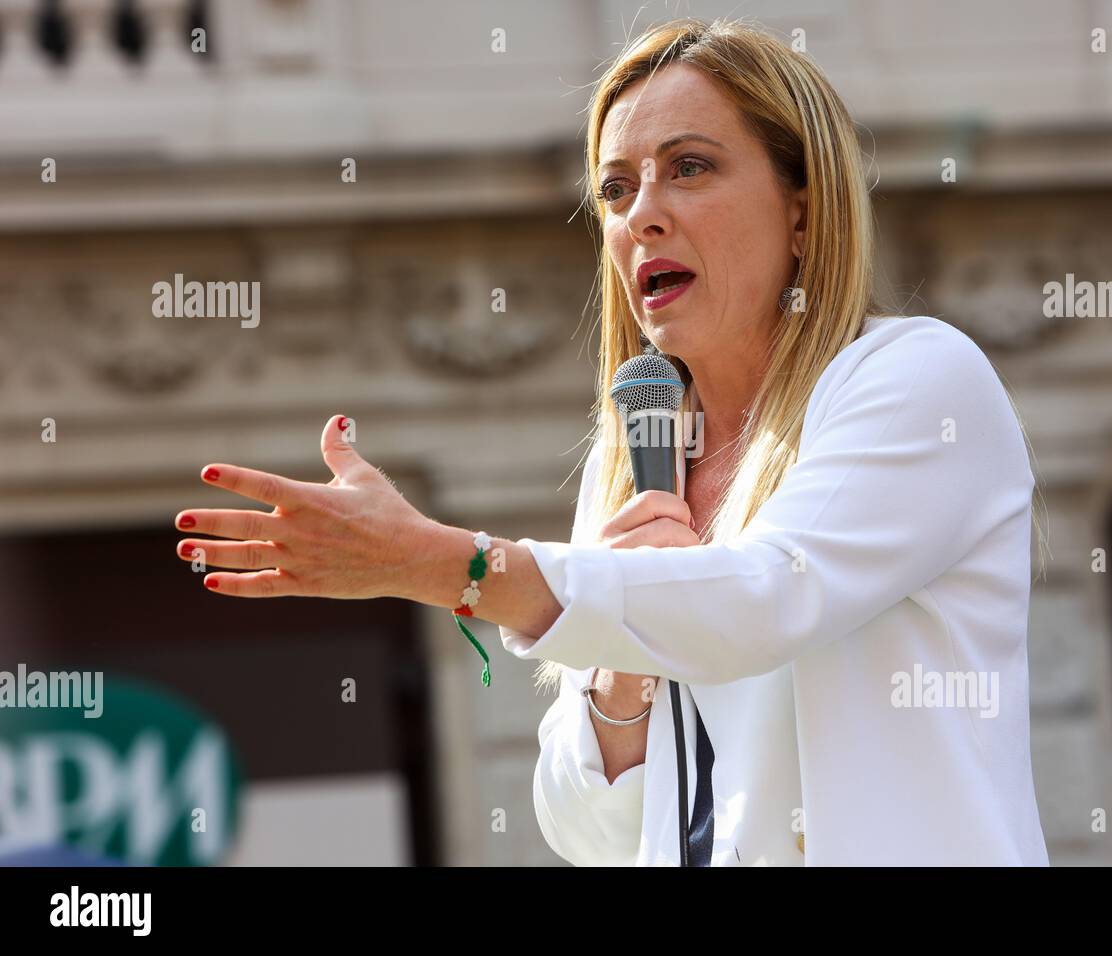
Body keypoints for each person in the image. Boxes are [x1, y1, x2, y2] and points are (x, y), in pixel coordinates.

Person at [174, 17, 1050, 866]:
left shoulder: (918, 379)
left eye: (690, 168)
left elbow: (766, 599)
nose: (643, 217)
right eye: (616, 189)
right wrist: (622, 679)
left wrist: (445, 564)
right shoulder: (633, 455)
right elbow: (588, 830)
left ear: (803, 213)